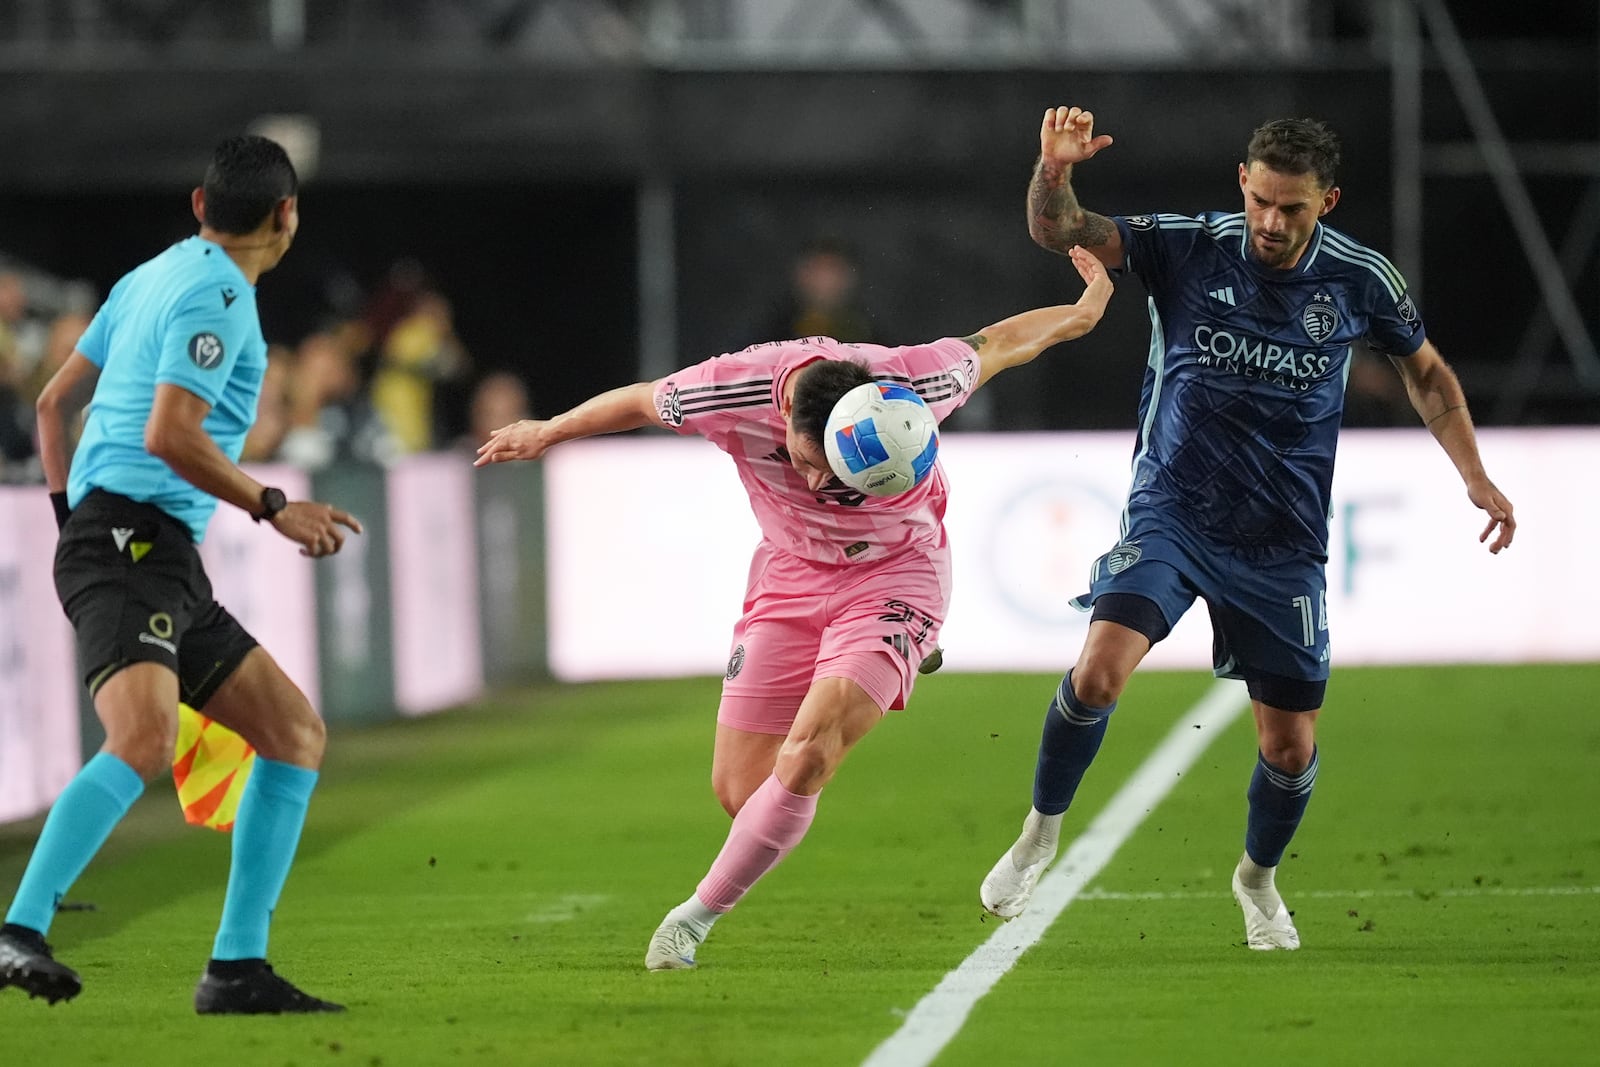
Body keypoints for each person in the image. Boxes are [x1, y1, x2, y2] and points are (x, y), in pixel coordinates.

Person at [476, 245, 1113, 970]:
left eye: (834, 472)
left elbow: (998, 343)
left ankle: (691, 920)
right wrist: (548, 429)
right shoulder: (727, 390)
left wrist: (1082, 312)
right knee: (743, 791)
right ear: (782, 414)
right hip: (789, 578)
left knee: (808, 754)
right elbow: (636, 399)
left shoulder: (915, 382)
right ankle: (892, 659)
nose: (816, 481)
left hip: (896, 577)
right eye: (807, 461)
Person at [979, 107, 1516, 950]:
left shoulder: (1360, 279)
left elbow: (1429, 375)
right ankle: (1040, 831)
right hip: (1173, 511)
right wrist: (1054, 169)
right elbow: (1061, 230)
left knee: (1291, 747)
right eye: (1262, 199)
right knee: (1100, 668)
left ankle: (1256, 880)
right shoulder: (1188, 245)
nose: (1271, 221)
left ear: (1326, 201)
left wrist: (1475, 474)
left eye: (1292, 207)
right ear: (1243, 182)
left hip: (1282, 543)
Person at [0, 135, 362, 1012]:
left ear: (200, 207)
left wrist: (68, 523)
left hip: (145, 549)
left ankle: (237, 969)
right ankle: (19, 927)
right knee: (143, 741)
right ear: (287, 215)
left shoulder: (149, 276)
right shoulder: (221, 296)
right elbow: (169, 433)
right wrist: (274, 505)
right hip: (132, 543)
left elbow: (53, 404)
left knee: (292, 733)